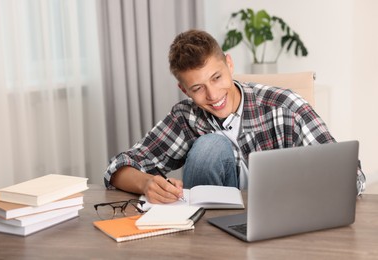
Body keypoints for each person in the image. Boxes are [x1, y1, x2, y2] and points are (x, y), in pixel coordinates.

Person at [103, 29, 365, 204]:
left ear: (229, 64)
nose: (213, 94)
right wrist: (147, 182)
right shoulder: (186, 117)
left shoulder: (285, 107)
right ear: (184, 90)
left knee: (211, 144)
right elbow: (117, 168)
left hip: (281, 217)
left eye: (217, 77)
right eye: (197, 88)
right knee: (211, 146)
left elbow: (350, 176)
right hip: (212, 229)